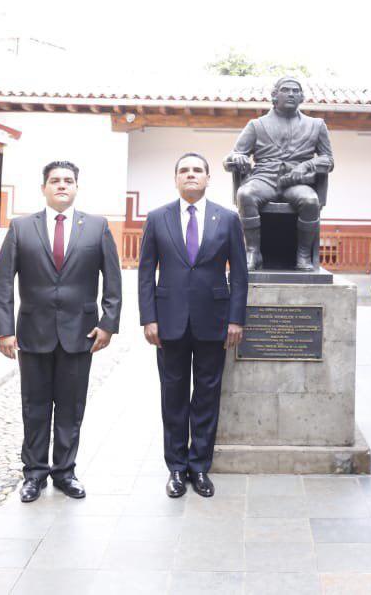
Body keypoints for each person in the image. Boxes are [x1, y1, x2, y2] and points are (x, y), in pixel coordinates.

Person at [0, 160, 121, 503]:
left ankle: (65, 471)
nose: (61, 185)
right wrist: (5, 330)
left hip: (80, 332)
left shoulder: (97, 227)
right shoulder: (21, 228)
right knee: (34, 406)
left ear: (76, 187)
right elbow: (3, 281)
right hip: (33, 332)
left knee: (70, 406)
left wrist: (109, 323)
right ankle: (34, 473)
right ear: (44, 188)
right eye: (54, 180)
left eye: (68, 180)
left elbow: (112, 278)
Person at [138, 153, 247, 498]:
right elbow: (145, 272)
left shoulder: (228, 219)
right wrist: (148, 317)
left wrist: (235, 319)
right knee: (172, 396)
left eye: (197, 170)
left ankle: (199, 466)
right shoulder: (157, 219)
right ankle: (175, 467)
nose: (190, 175)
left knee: (206, 395)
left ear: (207, 178)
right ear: (175, 179)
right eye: (184, 170)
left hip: (213, 322)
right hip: (168, 322)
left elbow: (240, 276)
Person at [224, 75, 334, 270]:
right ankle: (253, 252)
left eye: (296, 91)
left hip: (296, 182)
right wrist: (237, 158)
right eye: (286, 90)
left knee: (310, 201)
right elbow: (232, 157)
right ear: (275, 96)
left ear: (302, 97)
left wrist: (306, 165)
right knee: (245, 194)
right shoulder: (256, 125)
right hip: (264, 179)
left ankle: (303, 256)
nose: (291, 94)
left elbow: (328, 160)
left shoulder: (316, 125)